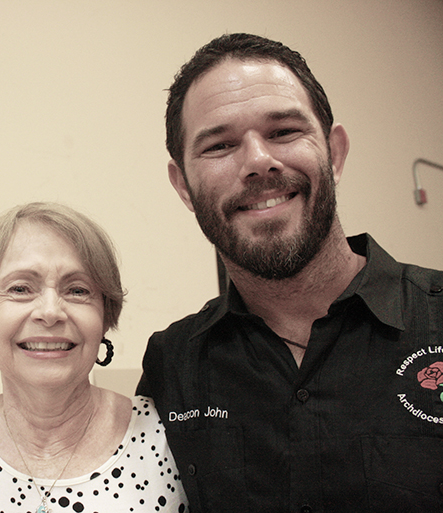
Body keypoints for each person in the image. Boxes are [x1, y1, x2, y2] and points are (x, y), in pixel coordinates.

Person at [136, 32, 443, 512]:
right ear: (184, 186)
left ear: (335, 153)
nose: (258, 161)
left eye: (283, 132)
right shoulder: (172, 365)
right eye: (219, 145)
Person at [0, 202, 188, 512]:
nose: (51, 312)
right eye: (20, 288)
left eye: (78, 290)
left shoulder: (173, 434)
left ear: (105, 317)